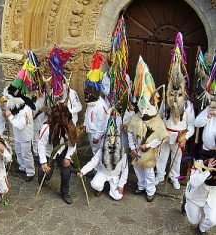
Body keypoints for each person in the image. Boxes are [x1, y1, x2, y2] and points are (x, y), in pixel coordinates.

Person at [125, 56, 169, 202]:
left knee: (149, 171)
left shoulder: (157, 122)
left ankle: (150, 191)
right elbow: (131, 132)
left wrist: (148, 146)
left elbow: (159, 137)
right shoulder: (136, 118)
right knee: (137, 168)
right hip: (137, 149)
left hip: (148, 151)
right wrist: (133, 147)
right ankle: (141, 186)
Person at [78, 109, 128, 200]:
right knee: (94, 184)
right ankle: (100, 188)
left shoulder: (122, 152)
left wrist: (121, 185)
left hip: (115, 176)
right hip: (103, 172)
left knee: (117, 196)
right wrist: (83, 171)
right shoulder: (102, 149)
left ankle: (112, 187)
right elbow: (93, 162)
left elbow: (125, 170)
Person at [38, 103, 78, 204]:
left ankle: (65, 192)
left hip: (61, 151)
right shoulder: (46, 128)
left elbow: (73, 144)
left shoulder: (70, 126)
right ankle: (41, 174)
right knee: (47, 175)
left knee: (66, 172)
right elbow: (41, 144)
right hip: (48, 152)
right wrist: (43, 162)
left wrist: (68, 157)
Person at [155, 99, 195, 189]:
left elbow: (191, 125)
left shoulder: (188, 105)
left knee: (176, 159)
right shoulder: (166, 101)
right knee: (161, 156)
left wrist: (185, 137)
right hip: (165, 134)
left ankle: (174, 177)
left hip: (179, 136)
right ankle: (160, 174)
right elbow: (159, 117)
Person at [2, 78, 36, 182]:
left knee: (26, 155)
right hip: (17, 135)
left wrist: (10, 116)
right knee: (18, 152)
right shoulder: (16, 106)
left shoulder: (25, 109)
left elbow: (21, 125)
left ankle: (30, 172)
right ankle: (22, 167)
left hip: (25, 136)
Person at [184, 149, 216, 235]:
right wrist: (208, 171)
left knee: (213, 219)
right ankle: (186, 202)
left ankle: (202, 228)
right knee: (193, 221)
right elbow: (194, 182)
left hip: (211, 198)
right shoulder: (198, 164)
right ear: (207, 159)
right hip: (195, 196)